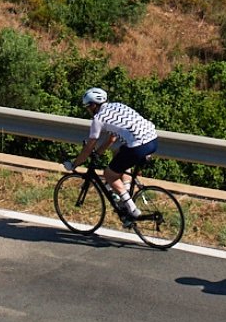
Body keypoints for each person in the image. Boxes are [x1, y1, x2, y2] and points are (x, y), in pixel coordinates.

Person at [63, 87, 159, 223]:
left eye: (87, 107)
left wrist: (75, 164)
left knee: (109, 174)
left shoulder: (98, 119)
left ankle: (132, 209)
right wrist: (98, 153)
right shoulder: (118, 106)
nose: (88, 110)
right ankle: (125, 190)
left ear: (93, 105)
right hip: (153, 140)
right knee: (119, 152)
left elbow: (89, 146)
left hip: (138, 146)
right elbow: (112, 139)